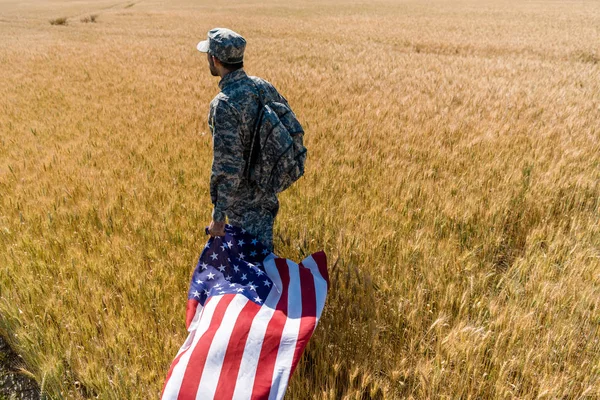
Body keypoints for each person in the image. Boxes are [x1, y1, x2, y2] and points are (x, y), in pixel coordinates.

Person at [197, 27, 296, 251]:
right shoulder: (262, 87)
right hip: (268, 193)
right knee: (263, 258)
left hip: (243, 206)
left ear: (214, 60)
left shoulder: (224, 104)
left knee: (253, 270)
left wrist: (219, 216)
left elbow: (228, 165)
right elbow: (290, 127)